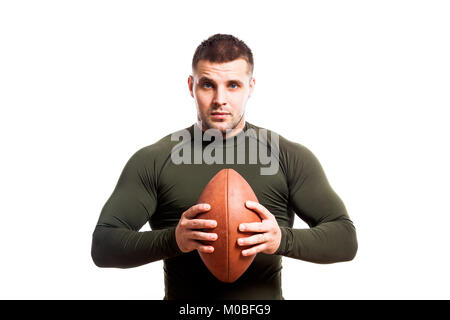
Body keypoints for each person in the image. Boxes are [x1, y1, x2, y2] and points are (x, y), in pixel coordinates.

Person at [91, 33, 358, 300]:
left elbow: (345, 239)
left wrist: (281, 240)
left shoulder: (286, 156)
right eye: (208, 85)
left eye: (233, 85)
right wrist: (174, 240)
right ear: (190, 86)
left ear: (250, 87)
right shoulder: (155, 159)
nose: (220, 99)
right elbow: (103, 245)